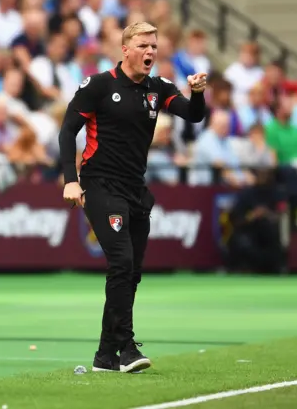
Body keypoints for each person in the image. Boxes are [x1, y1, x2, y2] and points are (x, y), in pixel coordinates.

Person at [58, 22, 207, 373]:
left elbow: (193, 115)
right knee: (122, 263)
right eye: (143, 45)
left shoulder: (159, 88)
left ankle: (105, 355)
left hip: (135, 189)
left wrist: (198, 93)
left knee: (132, 272)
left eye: (154, 46)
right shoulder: (98, 85)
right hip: (100, 185)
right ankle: (126, 346)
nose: (150, 52)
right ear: (125, 49)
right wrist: (70, 180)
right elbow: (67, 131)